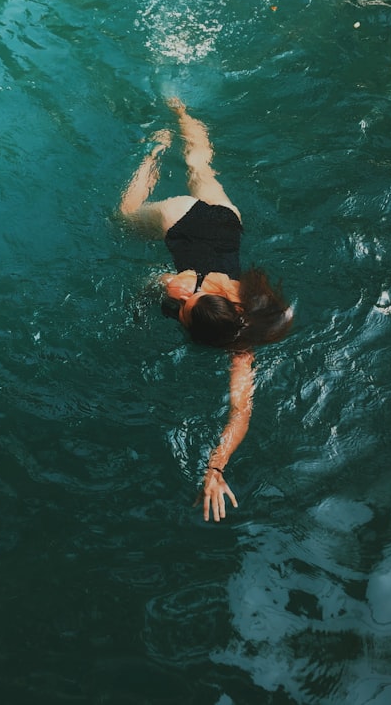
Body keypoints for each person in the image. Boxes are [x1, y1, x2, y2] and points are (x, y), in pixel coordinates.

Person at [118, 98, 293, 522]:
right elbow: (144, 285)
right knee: (124, 218)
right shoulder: (183, 285)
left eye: (182, 309)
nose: (180, 305)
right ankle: (155, 149)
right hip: (184, 219)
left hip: (228, 222)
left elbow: (241, 412)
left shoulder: (243, 319)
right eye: (185, 307)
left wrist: (215, 466)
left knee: (201, 167)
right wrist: (156, 289)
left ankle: (179, 111)